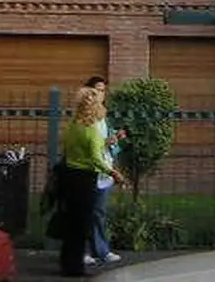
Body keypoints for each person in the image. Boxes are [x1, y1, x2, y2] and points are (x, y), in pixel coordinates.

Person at [60, 87, 124, 278]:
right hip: (85, 178)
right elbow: (96, 158)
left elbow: (72, 148)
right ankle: (76, 268)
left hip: (69, 175)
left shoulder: (73, 126)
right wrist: (113, 173)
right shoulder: (92, 130)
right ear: (96, 107)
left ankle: (67, 262)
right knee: (82, 224)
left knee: (72, 223)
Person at [83, 76, 124, 266]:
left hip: (103, 171)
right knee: (84, 212)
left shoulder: (103, 117)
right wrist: (105, 143)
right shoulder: (85, 117)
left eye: (103, 90)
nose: (101, 94)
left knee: (99, 213)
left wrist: (114, 139)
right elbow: (86, 145)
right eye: (98, 90)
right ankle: (82, 250)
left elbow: (106, 144)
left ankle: (101, 250)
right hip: (88, 170)